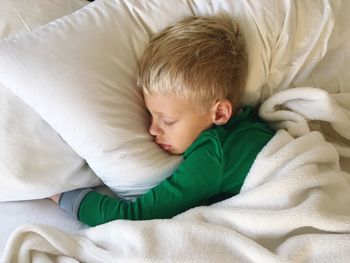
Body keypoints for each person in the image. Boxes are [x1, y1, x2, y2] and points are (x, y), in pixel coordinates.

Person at [49, 15, 274, 226]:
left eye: (168, 120)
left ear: (220, 113)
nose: (152, 129)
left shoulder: (213, 156)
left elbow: (134, 218)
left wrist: (61, 195)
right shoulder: (248, 124)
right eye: (150, 114)